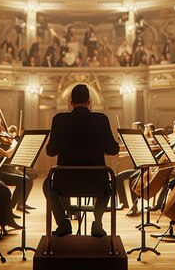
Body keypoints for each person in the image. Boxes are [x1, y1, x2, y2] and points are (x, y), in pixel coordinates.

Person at [44, 83, 120, 237]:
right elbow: (113, 149)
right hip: (97, 183)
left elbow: (50, 151)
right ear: (89, 101)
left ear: (70, 102)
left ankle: (63, 223)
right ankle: (97, 223)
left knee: (47, 185)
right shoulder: (101, 119)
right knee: (110, 185)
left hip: (65, 183)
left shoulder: (59, 119)